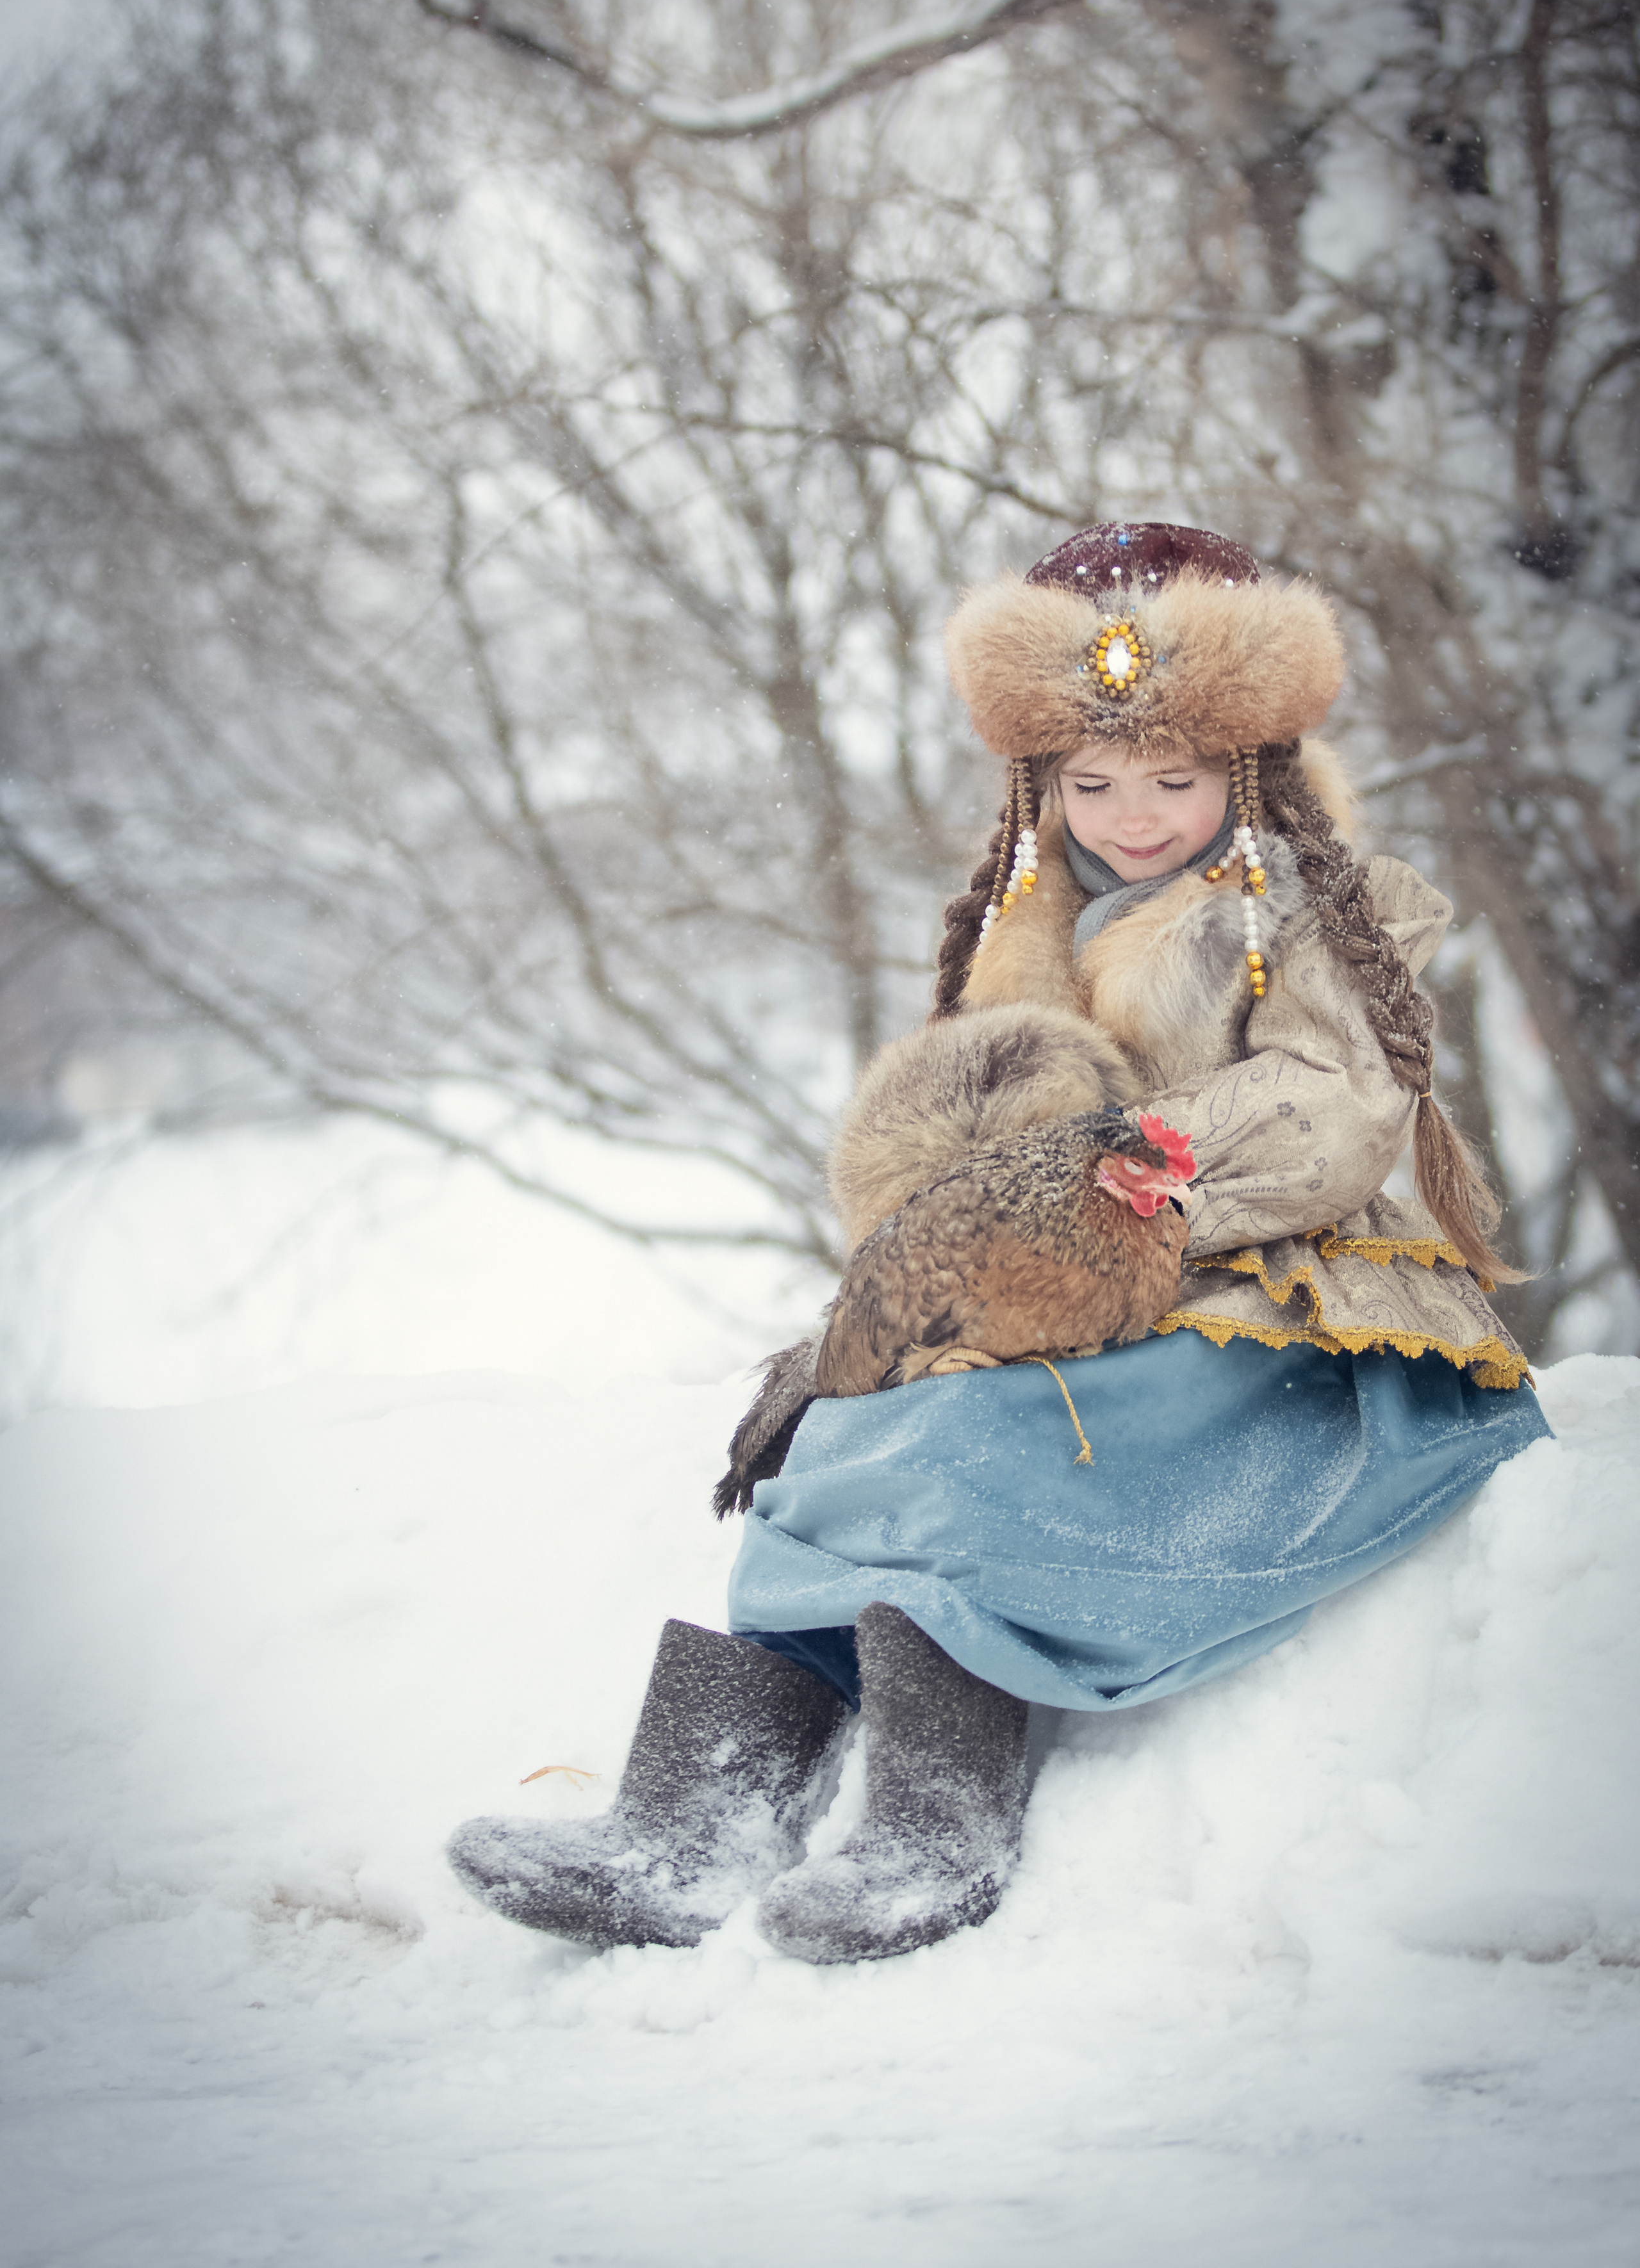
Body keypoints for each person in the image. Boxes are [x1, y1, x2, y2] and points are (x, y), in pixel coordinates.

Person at [448, 521, 1546, 1966]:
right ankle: (696, 1826)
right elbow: (976, 1122)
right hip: (1080, 1298)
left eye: (1172, 779)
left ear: (1248, 767)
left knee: (981, 1437)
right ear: (1038, 781)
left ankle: (932, 1829)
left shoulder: (1310, 909)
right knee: (847, 1431)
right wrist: (941, 1238)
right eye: (1091, 784)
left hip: (1291, 1319)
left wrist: (1128, 1176)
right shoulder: (1018, 927)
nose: (1132, 815)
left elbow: (1335, 1109)